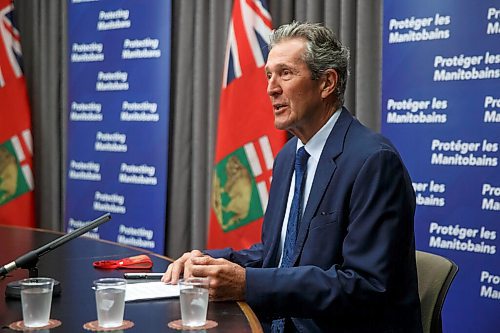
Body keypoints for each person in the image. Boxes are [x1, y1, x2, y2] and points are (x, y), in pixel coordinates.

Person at [162, 21, 422, 333]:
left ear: (326, 82)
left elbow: (365, 285)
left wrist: (247, 284)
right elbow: (281, 252)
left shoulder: (374, 161)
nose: (271, 88)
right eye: (268, 75)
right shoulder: (289, 157)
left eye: (285, 73)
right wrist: (207, 262)